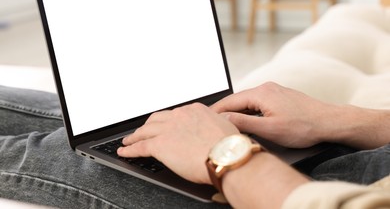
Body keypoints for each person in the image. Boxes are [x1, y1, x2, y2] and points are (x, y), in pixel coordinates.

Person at [1, 82, 390, 208]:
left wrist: (228, 156)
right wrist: (336, 119)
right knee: (94, 127)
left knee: (67, 151)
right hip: (353, 154)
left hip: (292, 196)